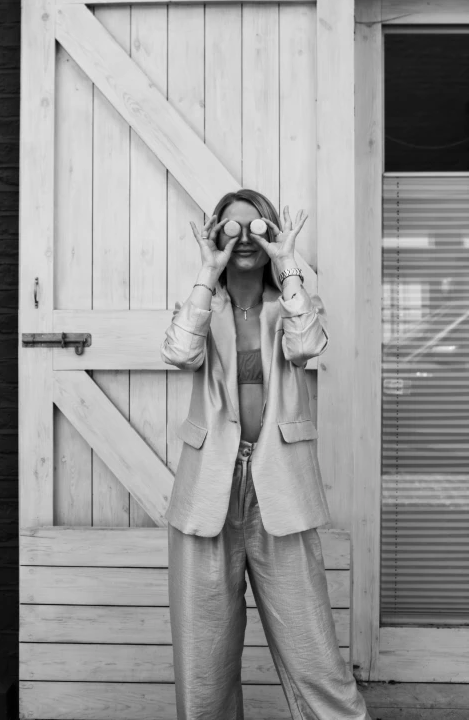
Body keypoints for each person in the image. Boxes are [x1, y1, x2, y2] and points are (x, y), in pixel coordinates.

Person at [160, 189, 371, 720]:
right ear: (216, 235)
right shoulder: (201, 306)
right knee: (203, 668)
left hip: (280, 486)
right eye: (233, 228)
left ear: (273, 234)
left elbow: (305, 347)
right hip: (209, 488)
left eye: (258, 227)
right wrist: (208, 272)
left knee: (313, 653)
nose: (245, 238)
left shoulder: (295, 304)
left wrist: (289, 266)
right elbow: (180, 353)